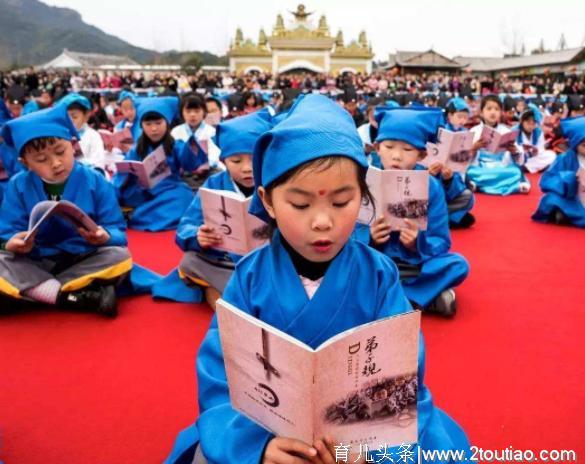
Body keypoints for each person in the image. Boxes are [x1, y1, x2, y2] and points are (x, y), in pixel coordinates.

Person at [165, 94, 469, 464]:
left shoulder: (379, 274)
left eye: (341, 203)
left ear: (364, 199)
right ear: (269, 201)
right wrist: (259, 447)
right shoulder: (248, 276)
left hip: (360, 435)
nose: (322, 221)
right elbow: (220, 369)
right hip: (268, 429)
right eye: (301, 204)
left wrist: (369, 444)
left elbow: (402, 371)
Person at [0, 105, 132, 316]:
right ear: (26, 163)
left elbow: (117, 232)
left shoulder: (95, 180)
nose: (56, 163)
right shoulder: (18, 185)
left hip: (83, 257)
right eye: (41, 159)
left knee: (119, 256)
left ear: (73, 144)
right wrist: (13, 242)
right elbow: (6, 233)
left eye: (60, 152)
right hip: (35, 260)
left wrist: (103, 236)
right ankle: (74, 297)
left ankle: (34, 293)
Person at [362, 107, 469, 316]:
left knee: (458, 264)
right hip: (376, 263)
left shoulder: (431, 186)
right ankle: (426, 298)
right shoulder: (366, 181)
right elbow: (346, 235)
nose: (396, 156)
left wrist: (416, 242)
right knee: (342, 268)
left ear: (422, 154)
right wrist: (370, 237)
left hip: (415, 265)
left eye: (407, 150)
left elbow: (442, 240)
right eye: (389, 146)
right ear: (377, 148)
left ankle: (399, 300)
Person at [170, 109, 273, 307]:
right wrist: (197, 236)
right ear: (223, 161)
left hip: (267, 262)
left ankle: (226, 298)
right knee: (190, 261)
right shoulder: (213, 184)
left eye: (254, 159)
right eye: (236, 160)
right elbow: (186, 226)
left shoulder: (276, 183)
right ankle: (232, 302)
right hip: (223, 262)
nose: (246, 168)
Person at [113, 97, 204, 231]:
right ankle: (139, 214)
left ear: (166, 123)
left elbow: (192, 164)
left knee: (184, 196)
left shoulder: (175, 145)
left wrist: (191, 143)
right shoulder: (136, 149)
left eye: (158, 123)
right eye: (148, 124)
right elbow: (121, 175)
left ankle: (136, 216)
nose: (154, 128)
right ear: (141, 125)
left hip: (170, 190)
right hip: (142, 192)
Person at [466, 95, 530, 195]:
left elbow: (518, 157)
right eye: (489, 108)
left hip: (501, 167)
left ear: (500, 113)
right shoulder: (474, 131)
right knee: (470, 172)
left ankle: (478, 185)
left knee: (516, 172)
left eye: (496, 109)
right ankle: (513, 187)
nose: (493, 112)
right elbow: (465, 157)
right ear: (482, 113)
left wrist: (514, 151)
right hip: (481, 167)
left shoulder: (505, 131)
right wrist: (473, 148)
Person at [532, 116, 585, 227]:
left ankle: (569, 216)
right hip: (573, 199)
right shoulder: (565, 158)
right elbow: (546, 181)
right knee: (551, 199)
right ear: (575, 143)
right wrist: (569, 178)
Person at [438, 97, 476, 228]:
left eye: (465, 118)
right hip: (438, 176)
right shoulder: (440, 131)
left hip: (455, 177)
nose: (462, 121)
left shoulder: (465, 134)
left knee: (468, 197)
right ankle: (445, 218)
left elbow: (466, 164)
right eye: (459, 116)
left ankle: (440, 218)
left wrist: (472, 151)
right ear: (449, 115)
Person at [59, 93, 106, 173]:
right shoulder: (60, 135)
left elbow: (99, 162)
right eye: (67, 117)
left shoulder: (93, 136)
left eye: (74, 117)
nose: (70, 121)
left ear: (86, 116)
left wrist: (80, 164)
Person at [514, 104, 556, 174]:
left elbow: (541, 150)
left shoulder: (538, 132)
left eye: (533, 123)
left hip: (532, 158)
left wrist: (536, 151)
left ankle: (526, 167)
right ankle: (535, 167)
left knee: (551, 155)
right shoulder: (514, 131)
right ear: (522, 121)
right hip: (519, 158)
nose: (530, 126)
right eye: (528, 123)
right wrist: (521, 149)